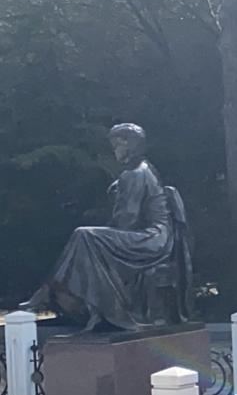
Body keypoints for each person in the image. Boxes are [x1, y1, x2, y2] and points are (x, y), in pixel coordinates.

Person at [21, 123, 193, 333]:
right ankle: (53, 295)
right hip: (154, 237)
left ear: (130, 145)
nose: (115, 151)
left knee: (85, 236)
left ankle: (51, 295)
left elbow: (126, 220)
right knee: (86, 238)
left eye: (117, 145)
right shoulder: (142, 169)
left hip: (151, 239)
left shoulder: (135, 173)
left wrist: (106, 231)